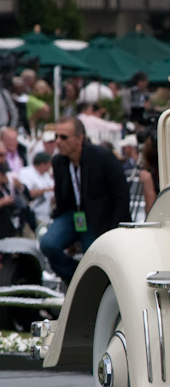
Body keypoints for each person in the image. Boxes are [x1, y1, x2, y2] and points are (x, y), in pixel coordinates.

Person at [40, 116, 130, 285]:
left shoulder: (103, 157)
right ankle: (77, 278)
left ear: (79, 138)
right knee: (48, 243)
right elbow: (62, 198)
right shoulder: (59, 161)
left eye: (63, 137)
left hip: (100, 218)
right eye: (56, 137)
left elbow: (122, 195)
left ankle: (94, 284)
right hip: (74, 215)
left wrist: (116, 229)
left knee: (93, 256)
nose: (58, 142)